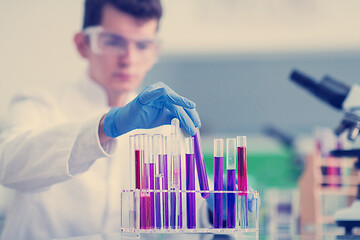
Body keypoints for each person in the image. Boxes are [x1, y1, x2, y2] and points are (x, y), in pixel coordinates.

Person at [0, 0, 203, 239]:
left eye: (143, 44)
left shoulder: (165, 122)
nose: (128, 58)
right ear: (82, 44)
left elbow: (180, 224)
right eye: (114, 42)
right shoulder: (38, 104)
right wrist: (106, 127)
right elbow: (8, 166)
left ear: (155, 52)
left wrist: (211, 213)